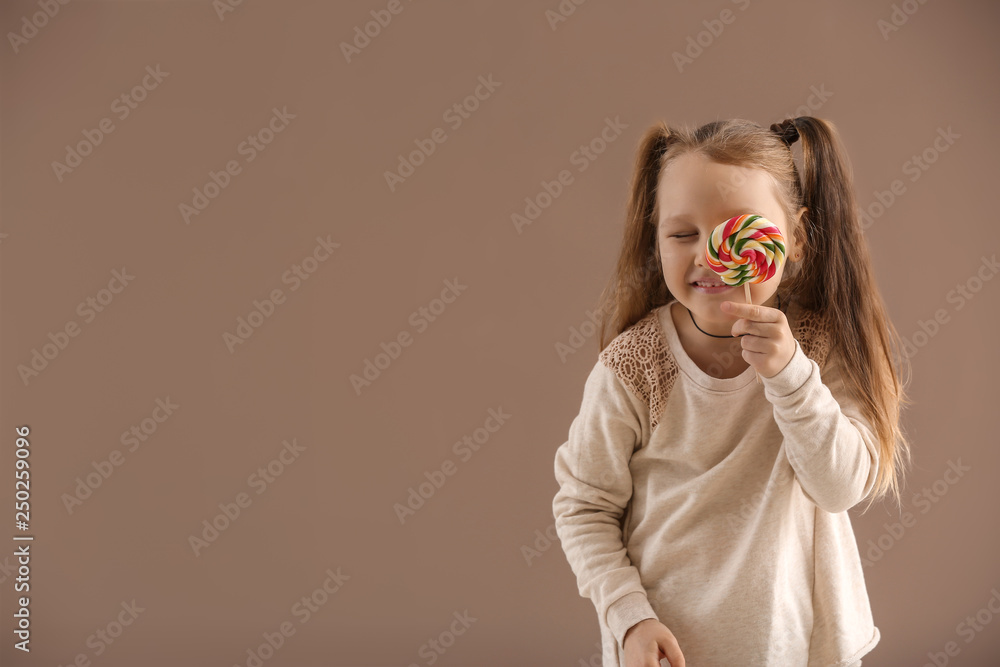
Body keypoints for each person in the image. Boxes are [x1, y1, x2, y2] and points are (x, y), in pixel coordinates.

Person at [551, 117, 912, 667]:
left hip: (799, 644)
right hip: (667, 646)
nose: (710, 255)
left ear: (792, 237)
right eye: (682, 233)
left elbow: (838, 487)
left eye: (735, 230)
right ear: (655, 240)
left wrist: (790, 375)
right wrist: (629, 618)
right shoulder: (632, 366)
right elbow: (584, 507)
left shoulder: (821, 348)